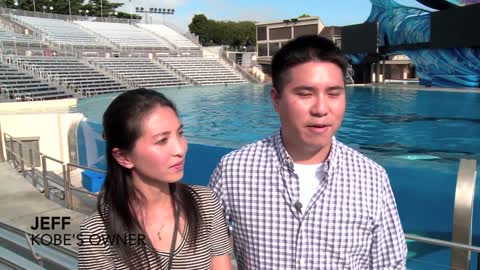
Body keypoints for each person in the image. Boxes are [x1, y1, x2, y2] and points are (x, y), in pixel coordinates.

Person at [209, 35, 407, 269]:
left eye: (333, 93)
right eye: (305, 94)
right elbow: (205, 248)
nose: (321, 109)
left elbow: (390, 264)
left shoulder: (371, 178)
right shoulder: (234, 170)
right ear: (276, 99)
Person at [78, 88, 232, 270]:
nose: (180, 149)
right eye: (162, 140)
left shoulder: (205, 203)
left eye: (180, 134)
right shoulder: (97, 232)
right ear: (123, 157)